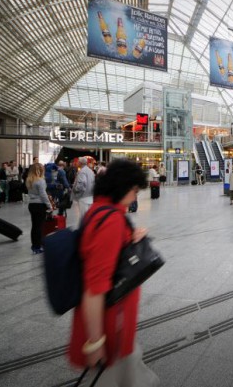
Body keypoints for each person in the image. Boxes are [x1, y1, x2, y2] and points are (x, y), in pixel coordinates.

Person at [67, 159, 159, 386]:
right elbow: (94, 288)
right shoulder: (110, 221)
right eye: (134, 191)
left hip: (117, 325)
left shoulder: (101, 211)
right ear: (123, 187)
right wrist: (96, 342)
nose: (135, 197)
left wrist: (130, 237)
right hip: (111, 330)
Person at [26, 163, 53, 254]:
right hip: (40, 205)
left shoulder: (29, 180)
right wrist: (49, 205)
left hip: (32, 204)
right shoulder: (41, 180)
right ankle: (38, 246)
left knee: (34, 226)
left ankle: (34, 245)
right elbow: (43, 194)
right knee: (40, 227)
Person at [72, 157, 95, 222]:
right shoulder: (90, 171)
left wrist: (75, 190)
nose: (77, 163)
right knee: (89, 216)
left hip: (83, 197)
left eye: (78, 161)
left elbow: (81, 184)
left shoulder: (82, 172)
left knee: (83, 217)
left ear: (81, 163)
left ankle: (84, 230)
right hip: (90, 196)